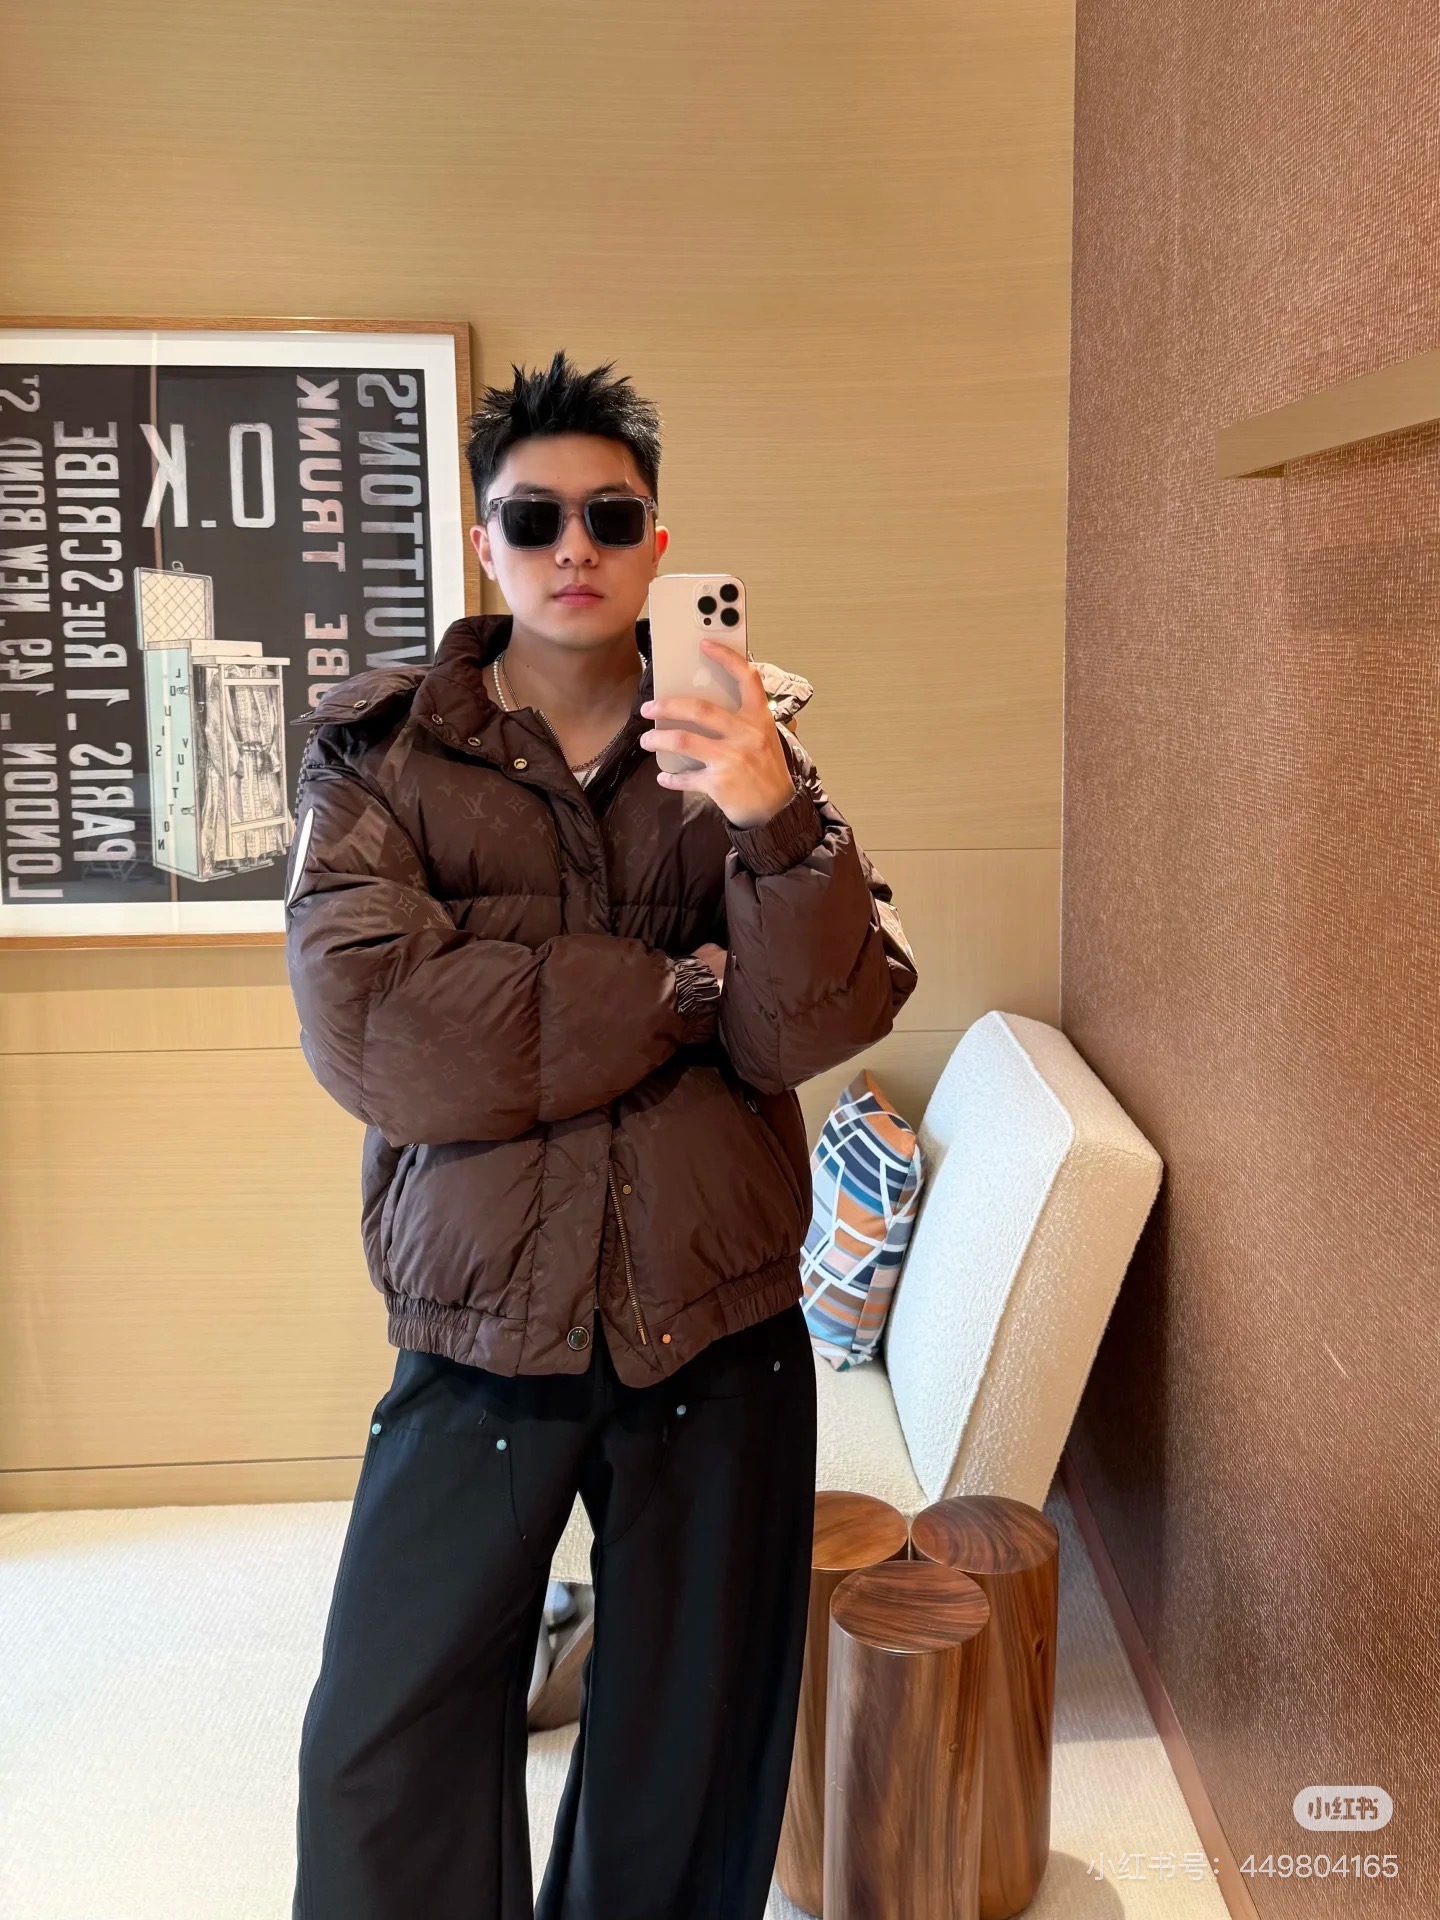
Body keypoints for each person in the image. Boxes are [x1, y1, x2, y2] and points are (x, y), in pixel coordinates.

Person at [283, 349, 919, 1920]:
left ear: (656, 544)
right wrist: (680, 989)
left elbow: (811, 1022)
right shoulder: (382, 757)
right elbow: (379, 1033)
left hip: (719, 1324)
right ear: (484, 542)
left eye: (612, 516)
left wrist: (776, 820)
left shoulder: (748, 747)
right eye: (536, 515)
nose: (576, 544)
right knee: (382, 1753)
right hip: (479, 1328)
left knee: (684, 1769)